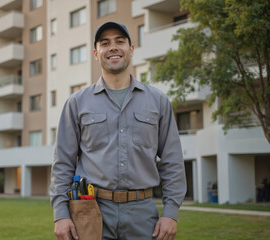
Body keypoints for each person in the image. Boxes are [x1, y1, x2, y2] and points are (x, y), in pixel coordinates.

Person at [50, 21, 186, 240]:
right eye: (105, 43)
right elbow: (62, 164)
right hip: (91, 211)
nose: (113, 47)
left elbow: (173, 161)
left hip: (143, 215)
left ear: (131, 49)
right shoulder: (76, 103)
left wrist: (171, 213)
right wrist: (60, 214)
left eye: (120, 41)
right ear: (96, 53)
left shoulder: (158, 101)